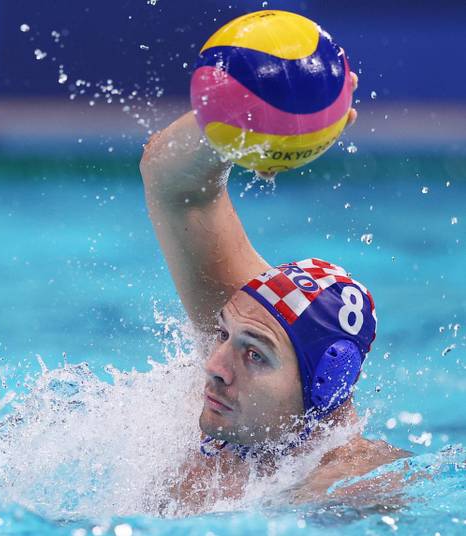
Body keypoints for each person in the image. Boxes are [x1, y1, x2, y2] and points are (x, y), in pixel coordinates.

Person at [139, 71, 409, 514]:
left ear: (324, 388)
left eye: (255, 355)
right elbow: (174, 183)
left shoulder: (352, 489)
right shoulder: (259, 320)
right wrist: (240, 116)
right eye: (224, 336)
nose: (214, 366)